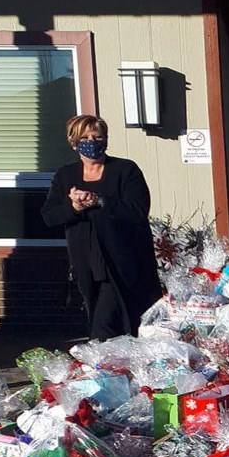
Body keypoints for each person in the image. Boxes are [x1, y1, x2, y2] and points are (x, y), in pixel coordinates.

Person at [42, 115, 162, 341]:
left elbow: (136, 209)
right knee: (95, 311)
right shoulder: (65, 175)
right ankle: (116, 362)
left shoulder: (125, 169)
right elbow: (50, 216)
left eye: (98, 137)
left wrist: (99, 201)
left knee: (105, 322)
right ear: (74, 142)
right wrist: (74, 206)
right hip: (85, 259)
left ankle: (102, 361)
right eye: (85, 137)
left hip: (121, 261)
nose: (92, 141)